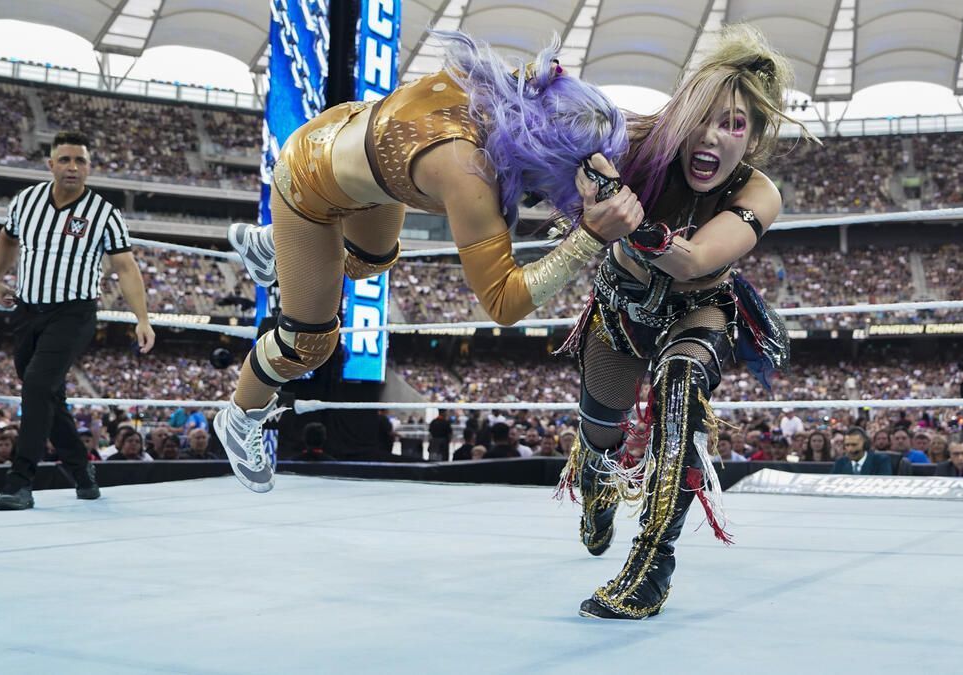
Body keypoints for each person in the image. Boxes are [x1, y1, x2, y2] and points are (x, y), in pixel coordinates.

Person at [214, 31, 638, 493]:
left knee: (373, 260)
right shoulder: (467, 170)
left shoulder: (525, 91)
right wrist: (589, 238)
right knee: (309, 342)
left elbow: (580, 113)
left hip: (357, 147)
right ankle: (239, 414)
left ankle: (276, 246)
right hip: (308, 181)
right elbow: (503, 303)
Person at [555, 23, 808, 620]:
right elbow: (564, 146)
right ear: (679, 118)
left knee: (681, 387)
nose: (714, 135)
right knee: (599, 437)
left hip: (700, 306)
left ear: (752, 139)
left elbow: (694, 258)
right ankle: (597, 485)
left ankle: (652, 562)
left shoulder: (759, 191)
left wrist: (630, 221)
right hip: (621, 309)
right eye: (704, 117)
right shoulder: (637, 144)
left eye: (734, 124)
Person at [0, 131, 155, 510]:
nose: (73, 167)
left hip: (74, 313)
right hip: (27, 311)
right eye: (65, 160)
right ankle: (82, 473)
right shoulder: (26, 202)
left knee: (37, 384)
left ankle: (20, 481)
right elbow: (7, 240)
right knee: (48, 394)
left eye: (80, 161)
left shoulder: (104, 213)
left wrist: (141, 318)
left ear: (89, 168)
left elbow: (125, 267)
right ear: (51, 164)